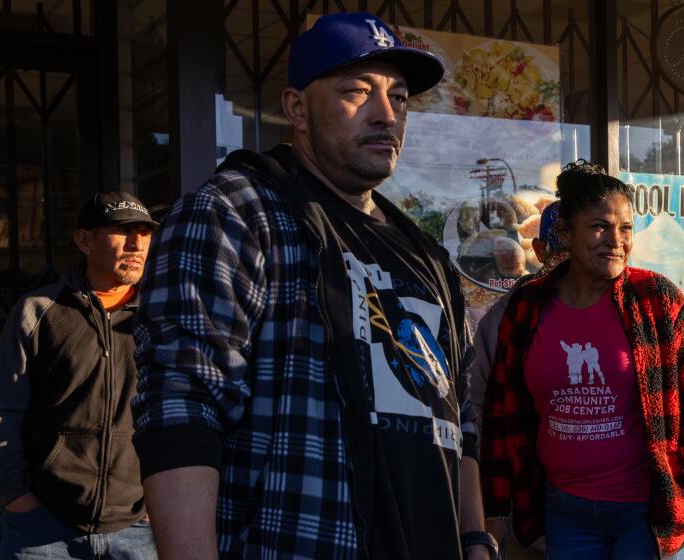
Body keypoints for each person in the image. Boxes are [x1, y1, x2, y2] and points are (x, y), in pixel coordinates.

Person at [131, 11, 495, 560]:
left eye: (398, 98)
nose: (385, 115)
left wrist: (474, 537)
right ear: (296, 108)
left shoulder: (426, 254)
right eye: (356, 91)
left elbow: (456, 419)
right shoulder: (237, 213)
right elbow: (181, 406)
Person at [480, 160, 684, 559]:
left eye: (626, 228)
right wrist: (496, 509)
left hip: (643, 514)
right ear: (566, 234)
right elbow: (501, 413)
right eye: (599, 227)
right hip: (564, 513)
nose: (616, 240)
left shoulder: (656, 300)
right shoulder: (528, 307)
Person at [0, 191, 158, 559]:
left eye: (144, 232)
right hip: (43, 528)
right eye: (122, 231)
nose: (136, 244)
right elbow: (2, 408)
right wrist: (16, 495)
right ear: (84, 240)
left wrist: (161, 501)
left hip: (138, 527)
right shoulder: (39, 311)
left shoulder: (160, 317)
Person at [469, 200, 566, 437]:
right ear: (541, 251)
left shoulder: (617, 308)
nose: (580, 268)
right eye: (567, 253)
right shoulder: (506, 317)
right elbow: (475, 402)